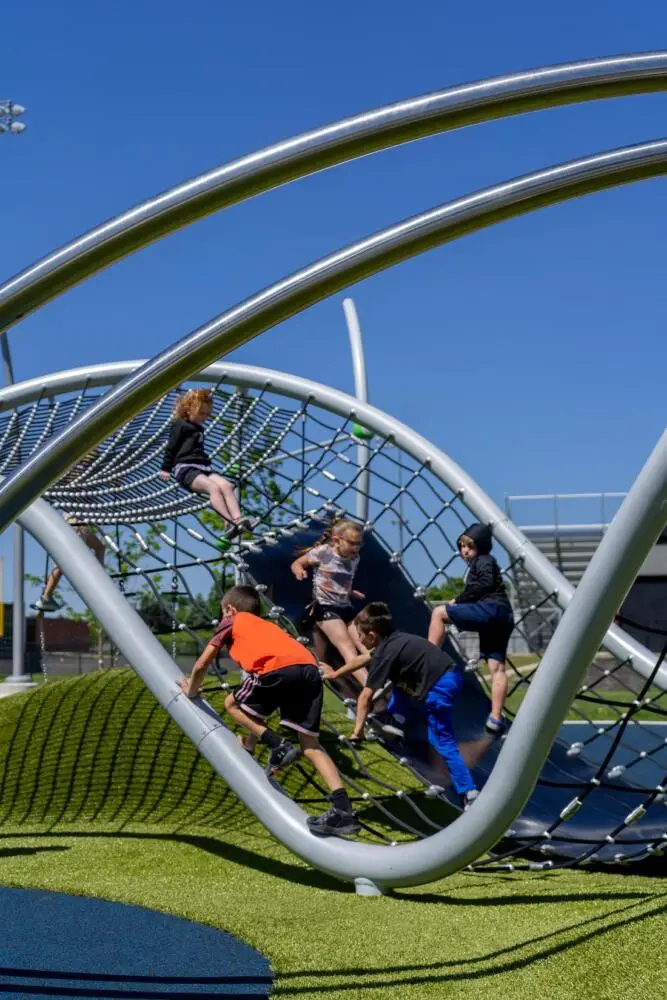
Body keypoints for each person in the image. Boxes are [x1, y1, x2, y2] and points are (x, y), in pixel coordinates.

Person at [179, 584, 361, 837]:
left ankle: (278, 744)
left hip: (275, 669)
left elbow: (201, 665)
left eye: (222, 612)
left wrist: (191, 690)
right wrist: (249, 746)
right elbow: (262, 707)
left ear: (230, 609)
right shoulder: (269, 626)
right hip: (310, 670)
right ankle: (344, 811)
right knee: (311, 746)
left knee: (231, 704)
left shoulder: (233, 621)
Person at [324, 601, 478, 809]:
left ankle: (469, 792)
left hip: (439, 687)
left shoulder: (386, 653)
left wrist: (358, 731)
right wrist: (335, 673)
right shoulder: (396, 639)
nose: (357, 639)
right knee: (400, 676)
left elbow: (365, 697)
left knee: (441, 741)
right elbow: (361, 659)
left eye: (359, 634)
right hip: (447, 675)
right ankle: (396, 718)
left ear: (371, 636)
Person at [428, 523, 514, 735]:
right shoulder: (485, 561)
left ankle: (426, 657)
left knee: (439, 613)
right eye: (462, 546)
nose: (465, 551)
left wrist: (460, 599)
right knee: (497, 668)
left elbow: (483, 585)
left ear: (481, 546)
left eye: (470, 546)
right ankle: (495, 717)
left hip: (489, 609)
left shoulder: (483, 561)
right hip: (504, 615)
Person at [159, 388, 251, 551]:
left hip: (203, 467)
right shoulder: (180, 425)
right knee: (213, 488)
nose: (205, 417)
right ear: (188, 410)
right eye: (201, 413)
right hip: (186, 469)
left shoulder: (199, 429)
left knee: (227, 486)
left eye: (207, 414)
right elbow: (171, 447)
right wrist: (166, 468)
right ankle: (229, 522)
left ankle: (236, 520)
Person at [290, 517, 368, 682]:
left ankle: (383, 678)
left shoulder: (355, 558)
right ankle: (369, 684)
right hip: (325, 608)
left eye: (359, 544)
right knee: (347, 647)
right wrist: (299, 571)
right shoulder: (324, 552)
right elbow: (297, 563)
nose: (356, 548)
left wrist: (350, 592)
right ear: (336, 541)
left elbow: (339, 581)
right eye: (352, 543)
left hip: (344, 606)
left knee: (365, 644)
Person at [32, 516, 105, 612]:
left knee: (99, 547)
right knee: (62, 564)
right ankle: (46, 596)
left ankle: (46, 596)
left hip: (72, 527)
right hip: (76, 527)